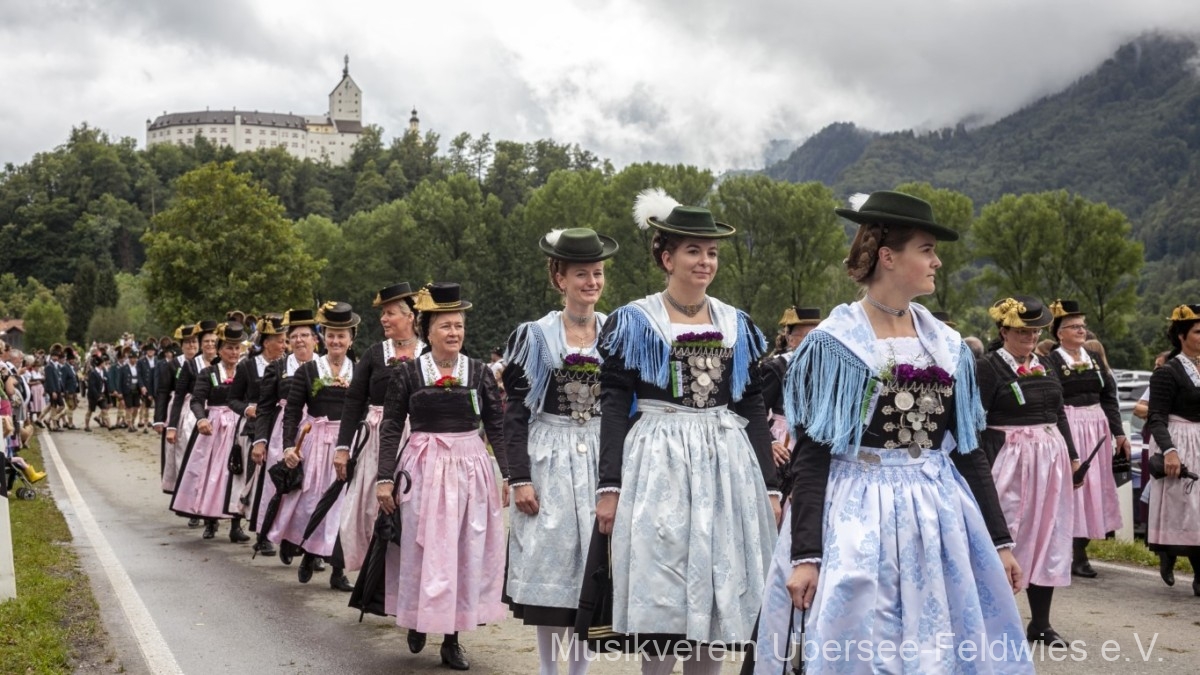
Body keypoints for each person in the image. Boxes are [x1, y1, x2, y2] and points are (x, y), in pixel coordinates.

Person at [753, 191, 1027, 674]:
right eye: (927, 250)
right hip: (856, 511)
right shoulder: (835, 345)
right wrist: (806, 555)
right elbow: (812, 456)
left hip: (936, 513)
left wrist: (1000, 544)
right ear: (888, 256)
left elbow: (968, 452)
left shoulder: (947, 345)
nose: (937, 262)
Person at [584, 189, 779, 675]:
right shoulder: (636, 320)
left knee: (716, 586)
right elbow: (613, 404)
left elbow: (751, 404)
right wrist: (609, 486)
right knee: (663, 581)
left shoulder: (736, 323)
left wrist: (770, 485)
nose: (705, 261)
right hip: (659, 459)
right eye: (694, 251)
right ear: (667, 258)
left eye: (712, 252)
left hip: (724, 463)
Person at [503, 228, 618, 675]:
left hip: (600, 457)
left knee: (593, 570)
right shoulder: (534, 337)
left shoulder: (616, 333)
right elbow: (515, 414)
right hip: (550, 457)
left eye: (598, 273)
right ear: (560, 279)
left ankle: (579, 672)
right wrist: (519, 477)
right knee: (551, 577)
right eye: (582, 274)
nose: (592, 282)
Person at [376, 282, 507, 672]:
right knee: (422, 548)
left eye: (459, 325)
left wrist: (510, 475)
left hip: (470, 469)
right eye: (446, 325)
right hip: (423, 468)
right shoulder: (409, 373)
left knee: (463, 551)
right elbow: (391, 425)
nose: (454, 333)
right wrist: (384, 478)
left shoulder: (479, 372)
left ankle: (452, 639)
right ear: (427, 330)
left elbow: (497, 426)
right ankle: (418, 617)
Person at [978, 296, 1081, 647]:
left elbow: (1059, 412)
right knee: (1007, 534)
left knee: (1048, 535)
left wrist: (1073, 456)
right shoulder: (989, 367)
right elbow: (976, 419)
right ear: (1003, 331)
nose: (1031, 338)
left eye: (1035, 332)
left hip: (1049, 461)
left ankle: (1040, 623)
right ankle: (994, 623)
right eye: (1023, 332)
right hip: (1008, 460)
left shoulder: (1046, 364)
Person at [334, 283, 423, 577]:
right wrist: (343, 448)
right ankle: (372, 570)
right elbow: (353, 401)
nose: (384, 319)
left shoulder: (428, 353)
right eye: (383, 314)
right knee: (369, 504)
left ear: (410, 316)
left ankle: (408, 567)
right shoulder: (375, 354)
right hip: (377, 439)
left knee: (412, 503)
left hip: (418, 439)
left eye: (390, 313)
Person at [269, 302, 359, 589]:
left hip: (347, 443)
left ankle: (338, 570)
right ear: (323, 338)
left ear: (351, 339)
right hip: (316, 443)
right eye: (331, 335)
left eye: (342, 336)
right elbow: (293, 411)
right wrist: (289, 447)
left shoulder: (359, 372)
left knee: (343, 507)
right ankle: (309, 550)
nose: (336, 341)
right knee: (311, 502)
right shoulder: (308, 371)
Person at [1044, 300, 1128, 578]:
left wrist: (1118, 432)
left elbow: (1109, 396)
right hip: (1069, 425)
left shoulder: (1093, 358)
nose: (1081, 330)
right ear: (1060, 333)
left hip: (1097, 427)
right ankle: (1073, 552)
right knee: (1073, 488)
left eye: (1082, 326)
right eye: (1074, 326)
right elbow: (1053, 402)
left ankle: (1081, 548)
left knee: (1095, 489)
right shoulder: (1052, 361)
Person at [170, 322, 252, 542]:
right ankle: (210, 520)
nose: (233, 352)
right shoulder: (208, 373)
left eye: (237, 348)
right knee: (211, 475)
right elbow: (197, 400)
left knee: (238, 474)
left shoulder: (246, 372)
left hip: (239, 425)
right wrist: (202, 418)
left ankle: (236, 524)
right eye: (229, 348)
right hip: (215, 428)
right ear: (219, 350)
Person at [250, 308, 319, 557]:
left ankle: (305, 541)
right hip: (283, 431)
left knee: (310, 488)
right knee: (279, 484)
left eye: (305, 335)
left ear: (315, 339)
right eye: (294, 336)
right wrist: (260, 440)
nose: (299, 340)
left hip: (315, 431)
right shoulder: (278, 368)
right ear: (288, 341)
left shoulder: (324, 366)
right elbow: (265, 407)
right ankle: (270, 532)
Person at [1144, 304, 1200, 596]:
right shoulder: (1167, 372)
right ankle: (1172, 553)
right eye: (1198, 332)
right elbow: (1155, 417)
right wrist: (1170, 451)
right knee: (1187, 508)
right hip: (1180, 439)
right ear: (1181, 335)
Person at [228, 313, 285, 530]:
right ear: (266, 342)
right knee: (249, 475)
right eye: (280, 341)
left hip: (279, 425)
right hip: (253, 427)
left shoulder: (287, 365)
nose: (284, 345)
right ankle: (238, 521)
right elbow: (232, 399)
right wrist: (247, 409)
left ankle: (267, 527)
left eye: (285, 341)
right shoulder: (247, 367)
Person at [760, 306, 821, 505]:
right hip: (785, 441)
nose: (814, 342)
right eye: (807, 336)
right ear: (791, 339)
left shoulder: (827, 367)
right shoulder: (777, 367)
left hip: (816, 441)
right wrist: (770, 442)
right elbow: (757, 411)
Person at [156, 325, 195, 493]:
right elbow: (163, 391)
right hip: (177, 409)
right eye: (187, 342)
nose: (191, 345)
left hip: (199, 408)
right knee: (177, 450)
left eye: (194, 342)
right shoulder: (173, 365)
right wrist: (159, 418)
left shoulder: (203, 362)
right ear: (181, 345)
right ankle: (179, 487)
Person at [137, 341, 159, 434]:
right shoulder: (141, 361)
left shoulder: (157, 360)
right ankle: (145, 425)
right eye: (149, 350)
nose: (150, 351)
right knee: (146, 406)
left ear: (154, 351)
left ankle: (156, 424)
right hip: (146, 386)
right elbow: (139, 375)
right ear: (146, 351)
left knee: (158, 407)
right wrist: (142, 386)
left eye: (152, 350)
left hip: (156, 386)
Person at [85, 354, 110, 432]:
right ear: (100, 364)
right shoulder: (93, 373)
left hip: (102, 394)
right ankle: (86, 426)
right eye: (103, 363)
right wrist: (97, 396)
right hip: (93, 396)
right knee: (90, 410)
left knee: (105, 409)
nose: (104, 364)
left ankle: (109, 425)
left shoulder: (103, 371)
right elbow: (92, 386)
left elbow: (105, 383)